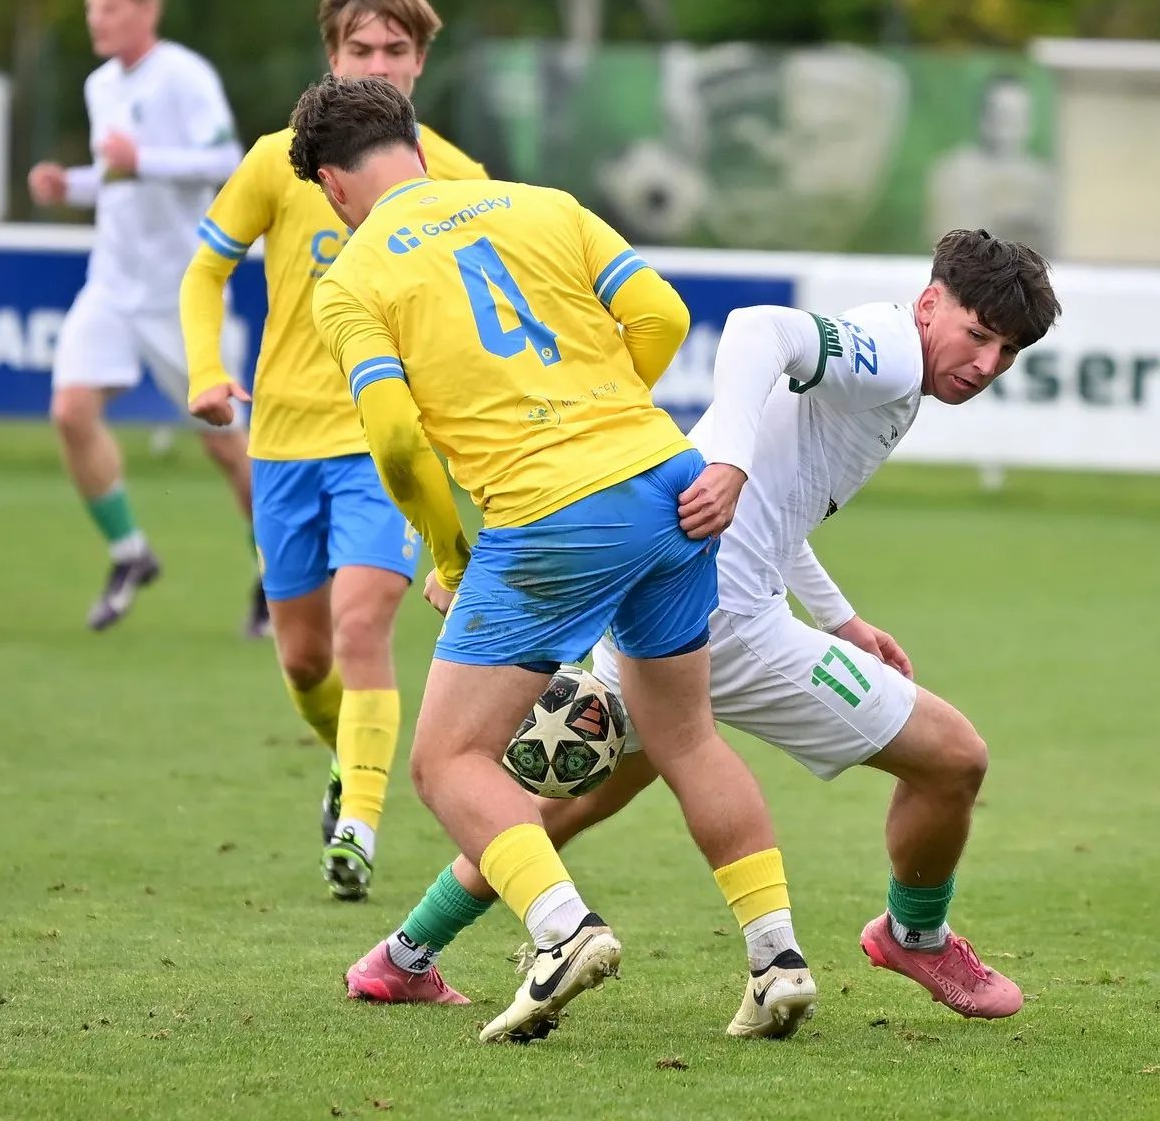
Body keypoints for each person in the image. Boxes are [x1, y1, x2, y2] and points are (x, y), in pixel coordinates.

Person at [372, 229, 1060, 1020]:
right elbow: (756, 329)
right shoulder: (895, 354)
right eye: (979, 335)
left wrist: (839, 616)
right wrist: (728, 460)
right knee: (954, 760)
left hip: (665, 581)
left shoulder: (890, 357)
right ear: (931, 304)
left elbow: (781, 500)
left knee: (580, 796)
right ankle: (913, 937)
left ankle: (403, 956)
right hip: (726, 616)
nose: (987, 364)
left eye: (1008, 352)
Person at [295, 74, 815, 1043]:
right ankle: (776, 959)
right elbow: (660, 316)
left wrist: (451, 553)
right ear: (415, 143)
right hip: (665, 481)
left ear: (330, 184)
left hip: (548, 512)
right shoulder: (545, 204)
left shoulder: (352, 280)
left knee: (446, 759)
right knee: (686, 737)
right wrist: (606, 420)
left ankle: (562, 931)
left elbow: (398, 443)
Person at [179, 0, 486, 903]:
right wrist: (205, 371)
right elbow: (204, 270)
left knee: (361, 627)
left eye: (396, 50)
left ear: (421, 61)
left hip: (383, 444)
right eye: (362, 49)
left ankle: (359, 825)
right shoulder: (279, 160)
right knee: (306, 659)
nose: (379, 64)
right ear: (333, 57)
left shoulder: (460, 180)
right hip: (280, 444)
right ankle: (350, 764)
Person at [27, 0, 256, 634]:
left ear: (145, 8)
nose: (96, 19)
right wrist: (71, 184)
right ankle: (130, 554)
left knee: (228, 447)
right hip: (111, 284)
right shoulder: (101, 85)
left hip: (181, 293)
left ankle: (277, 576)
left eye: (109, 7)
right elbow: (118, 175)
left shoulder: (184, 75)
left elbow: (227, 159)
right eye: (92, 7)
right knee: (70, 411)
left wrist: (144, 158)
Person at [926, 75, 1057, 254]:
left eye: (1018, 115)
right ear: (983, 116)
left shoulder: (1044, 180)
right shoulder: (952, 173)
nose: (1008, 123)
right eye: (1001, 113)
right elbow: (945, 242)